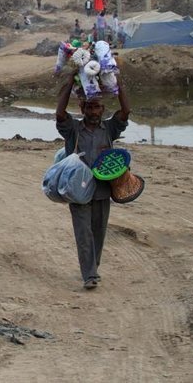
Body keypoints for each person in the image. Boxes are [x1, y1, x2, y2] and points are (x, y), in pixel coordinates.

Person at [56, 73, 130, 290]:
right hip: (77, 191)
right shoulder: (73, 130)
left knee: (98, 231)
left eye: (97, 108)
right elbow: (60, 114)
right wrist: (69, 83)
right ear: (82, 109)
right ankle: (89, 275)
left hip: (102, 190)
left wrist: (119, 83)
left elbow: (125, 112)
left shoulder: (109, 129)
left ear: (103, 110)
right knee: (83, 232)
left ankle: (92, 268)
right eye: (89, 108)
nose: (94, 112)